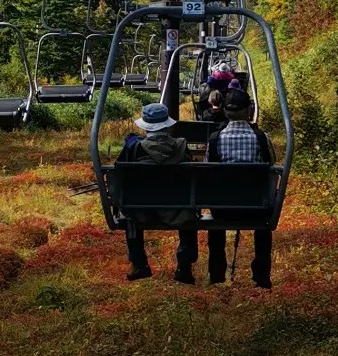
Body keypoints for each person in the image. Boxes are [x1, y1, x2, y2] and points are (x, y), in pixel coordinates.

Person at [116, 102, 200, 283]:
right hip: (178, 210)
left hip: (141, 211)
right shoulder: (181, 147)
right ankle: (184, 267)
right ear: (167, 124)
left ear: (146, 125)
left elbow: (120, 178)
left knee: (130, 209)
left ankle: (139, 264)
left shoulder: (135, 148)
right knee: (189, 212)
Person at [206, 85, 274, 288]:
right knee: (263, 227)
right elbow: (270, 163)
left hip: (222, 209)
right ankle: (261, 274)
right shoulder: (261, 138)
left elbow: (209, 168)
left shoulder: (215, 139)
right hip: (255, 207)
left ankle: (217, 272)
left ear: (226, 111)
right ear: (248, 111)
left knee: (215, 225)